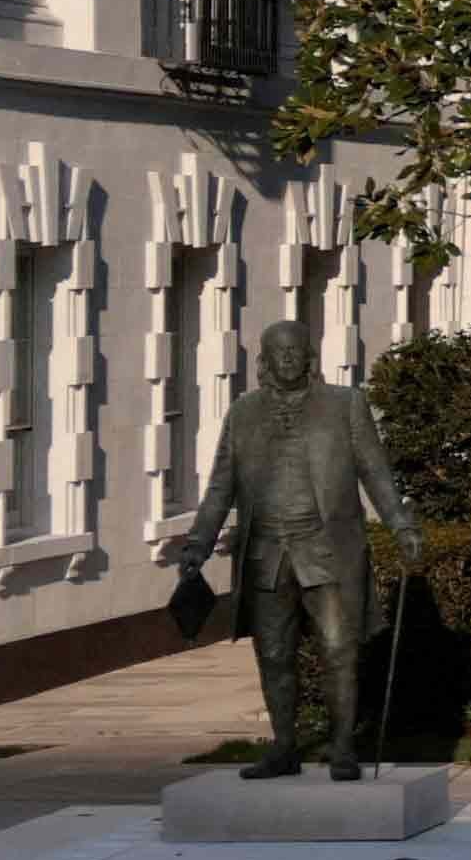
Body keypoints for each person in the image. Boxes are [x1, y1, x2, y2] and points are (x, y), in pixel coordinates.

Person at [162, 321, 418, 779]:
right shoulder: (243, 413)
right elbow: (221, 487)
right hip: (266, 554)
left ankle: (342, 747)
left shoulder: (345, 405)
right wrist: (198, 544)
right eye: (277, 352)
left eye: (295, 350)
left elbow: (375, 472)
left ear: (309, 358)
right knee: (274, 655)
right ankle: (284, 747)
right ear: (263, 361)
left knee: (339, 649)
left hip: (325, 550)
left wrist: (400, 523)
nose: (286, 358)